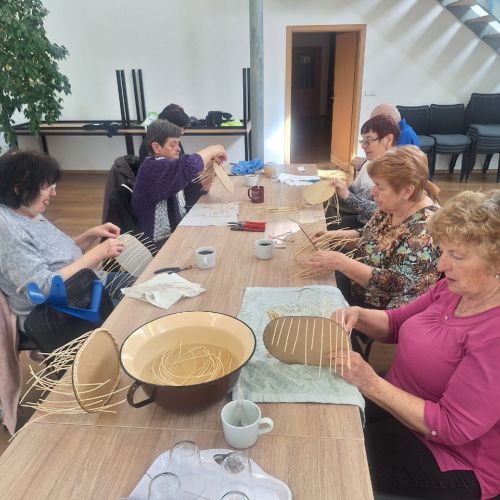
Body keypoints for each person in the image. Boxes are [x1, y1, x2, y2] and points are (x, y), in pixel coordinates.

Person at [329, 189, 500, 499]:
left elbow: (452, 426)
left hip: (451, 454)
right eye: (443, 251)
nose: (441, 265)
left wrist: (370, 383)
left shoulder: (494, 336)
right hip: (399, 401)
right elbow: (397, 323)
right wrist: (358, 315)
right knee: (327, 410)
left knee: (335, 458)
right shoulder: (453, 289)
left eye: (457, 256)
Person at [0, 149, 124, 331]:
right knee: (138, 310)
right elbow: (44, 290)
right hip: (57, 315)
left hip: (85, 286)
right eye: (46, 187)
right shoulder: (10, 232)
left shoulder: (27, 210)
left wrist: (91, 234)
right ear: (19, 190)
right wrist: (97, 254)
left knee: (145, 285)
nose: (53, 193)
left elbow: (58, 255)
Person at [310, 146, 441, 310]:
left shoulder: (426, 230)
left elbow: (395, 284)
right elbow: (368, 236)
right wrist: (331, 236)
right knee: (312, 284)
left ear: (407, 191)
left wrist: (341, 263)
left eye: (380, 187)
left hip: (383, 312)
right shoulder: (392, 207)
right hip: (357, 287)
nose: (373, 193)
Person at [132, 119, 227, 247]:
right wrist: (212, 150)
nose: (178, 149)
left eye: (178, 144)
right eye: (173, 145)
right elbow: (190, 165)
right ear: (156, 147)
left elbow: (201, 189)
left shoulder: (172, 168)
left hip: (178, 231)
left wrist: (211, 165)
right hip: (158, 243)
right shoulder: (152, 168)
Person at [328, 115, 400, 230]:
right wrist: (340, 188)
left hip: (373, 228)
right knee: (321, 219)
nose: (363, 146)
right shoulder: (370, 163)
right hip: (359, 218)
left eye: (368, 141)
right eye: (363, 141)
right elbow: (353, 190)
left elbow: (382, 212)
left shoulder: (398, 172)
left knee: (323, 230)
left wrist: (347, 196)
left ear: (388, 140)